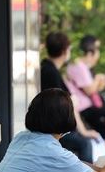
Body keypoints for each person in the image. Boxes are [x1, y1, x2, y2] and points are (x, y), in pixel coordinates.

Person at [41, 31, 100, 163]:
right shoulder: (51, 72)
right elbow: (68, 103)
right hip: (54, 130)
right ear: (64, 50)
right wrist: (83, 132)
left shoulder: (48, 69)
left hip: (55, 128)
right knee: (84, 143)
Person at [66, 35, 105, 148]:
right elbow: (90, 90)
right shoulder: (79, 66)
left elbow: (93, 88)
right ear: (90, 53)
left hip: (84, 105)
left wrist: (102, 79)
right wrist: (98, 78)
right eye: (97, 51)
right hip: (84, 106)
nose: (97, 56)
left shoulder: (79, 66)